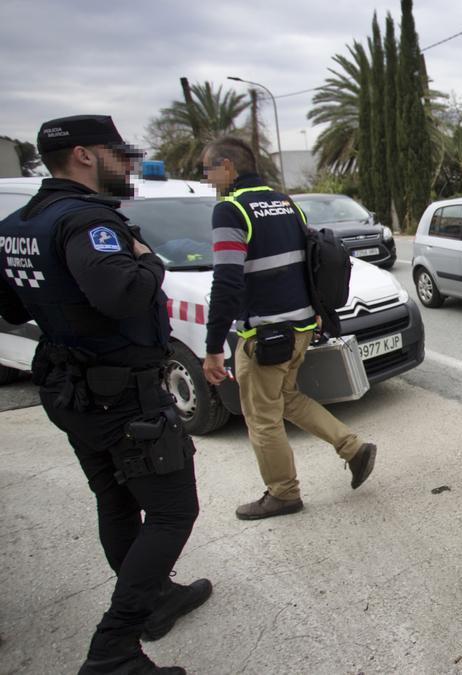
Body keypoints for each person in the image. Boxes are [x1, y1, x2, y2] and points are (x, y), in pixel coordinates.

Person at [0, 115, 209, 674]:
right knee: (172, 512)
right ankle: (114, 649)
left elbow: (13, 308)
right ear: (86, 157)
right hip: (123, 396)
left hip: (71, 388)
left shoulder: (20, 223)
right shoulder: (89, 222)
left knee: (116, 500)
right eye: (121, 156)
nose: (131, 166)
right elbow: (121, 293)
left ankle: (156, 600)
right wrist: (150, 260)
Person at [198, 136, 376, 520]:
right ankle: (353, 447)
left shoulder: (230, 210)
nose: (207, 177)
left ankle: (283, 493)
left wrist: (213, 346)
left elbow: (226, 281)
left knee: (262, 418)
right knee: (288, 399)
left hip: (263, 336)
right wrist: (315, 313)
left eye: (208, 169)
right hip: (298, 329)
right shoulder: (286, 203)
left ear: (227, 167)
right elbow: (309, 263)